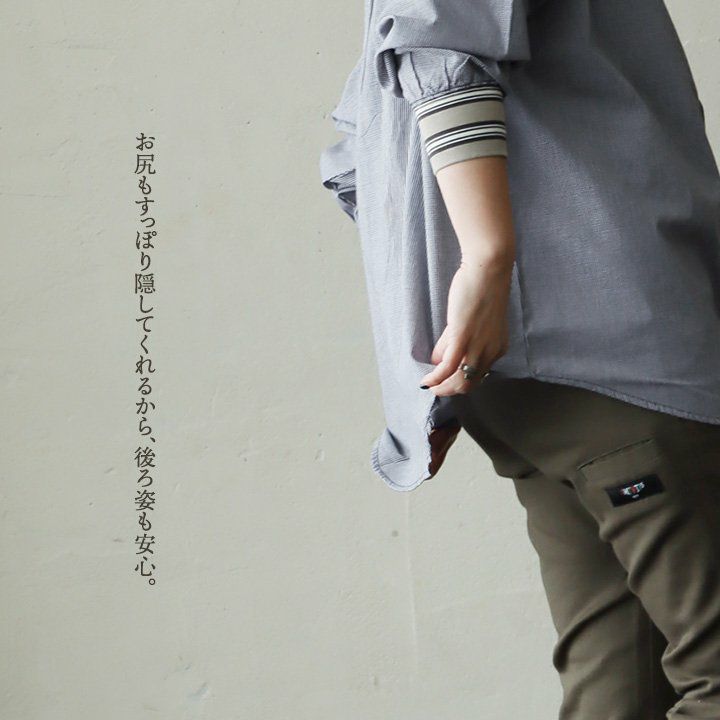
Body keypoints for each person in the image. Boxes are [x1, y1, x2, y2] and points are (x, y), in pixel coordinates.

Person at [319, 1, 720, 716]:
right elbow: (439, 46)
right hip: (621, 350)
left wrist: (436, 346)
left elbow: (365, 148)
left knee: (615, 686)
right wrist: (486, 259)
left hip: (523, 380)